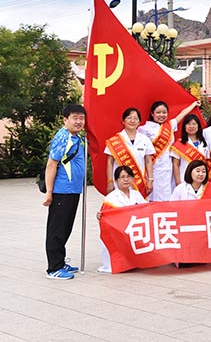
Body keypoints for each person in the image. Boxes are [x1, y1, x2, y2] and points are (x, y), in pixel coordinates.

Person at [43, 104, 87, 280]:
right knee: (57, 229)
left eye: (81, 118)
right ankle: (54, 268)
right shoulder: (63, 137)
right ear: (65, 120)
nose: (78, 121)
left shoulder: (77, 138)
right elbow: (51, 164)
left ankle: (60, 262)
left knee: (65, 227)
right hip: (62, 191)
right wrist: (49, 192)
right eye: (74, 118)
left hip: (73, 191)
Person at [139, 99, 200, 202]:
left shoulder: (170, 125)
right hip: (153, 168)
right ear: (152, 114)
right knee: (153, 197)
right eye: (158, 112)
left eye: (164, 112)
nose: (161, 115)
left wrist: (193, 104)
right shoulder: (144, 128)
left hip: (168, 168)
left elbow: (182, 113)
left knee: (168, 197)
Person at [96, 165, 147, 273]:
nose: (126, 179)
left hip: (135, 230)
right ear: (116, 180)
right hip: (120, 233)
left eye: (129, 176)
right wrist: (100, 216)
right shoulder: (110, 198)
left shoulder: (136, 194)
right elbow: (105, 218)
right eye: (122, 177)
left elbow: (147, 210)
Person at [104, 107, 154, 198]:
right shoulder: (114, 141)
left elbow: (148, 161)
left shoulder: (145, 140)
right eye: (129, 118)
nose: (132, 121)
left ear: (139, 122)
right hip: (120, 182)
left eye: (135, 118)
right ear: (123, 121)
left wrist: (150, 180)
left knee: (139, 204)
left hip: (139, 183)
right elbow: (109, 162)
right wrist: (110, 181)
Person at [170, 114, 209, 184]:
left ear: (198, 126)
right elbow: (175, 164)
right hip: (184, 179)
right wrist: (178, 181)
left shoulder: (205, 143)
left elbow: (207, 162)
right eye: (188, 124)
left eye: (194, 124)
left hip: (200, 179)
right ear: (184, 126)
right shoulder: (179, 143)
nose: (191, 126)